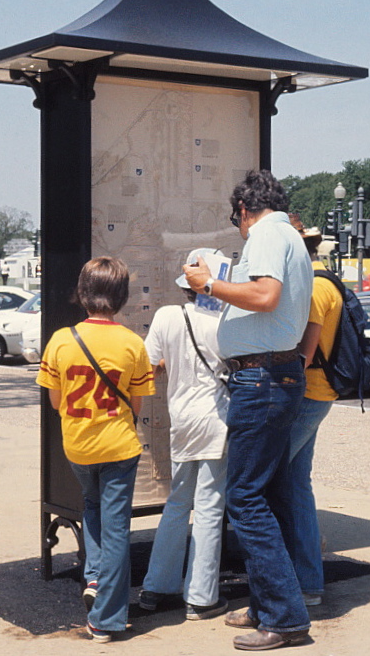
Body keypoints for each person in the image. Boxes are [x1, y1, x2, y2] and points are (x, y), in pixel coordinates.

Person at [184, 170, 314, 651]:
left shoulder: (263, 234)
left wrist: (210, 284)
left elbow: (264, 296)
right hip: (279, 373)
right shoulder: (291, 236)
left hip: (259, 378)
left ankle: (284, 617)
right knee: (269, 494)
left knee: (245, 498)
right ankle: (269, 605)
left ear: (243, 210)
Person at [36, 256, 155, 643]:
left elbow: (55, 402)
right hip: (119, 446)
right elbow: (137, 405)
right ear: (121, 297)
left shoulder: (60, 340)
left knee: (91, 507)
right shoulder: (133, 344)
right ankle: (107, 619)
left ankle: (94, 576)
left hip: (79, 447)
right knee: (117, 526)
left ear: (83, 293)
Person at [139, 248, 229, 621]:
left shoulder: (166, 315)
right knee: (209, 507)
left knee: (177, 503)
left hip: (181, 418)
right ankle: (201, 597)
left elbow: (149, 365)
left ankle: (156, 586)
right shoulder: (227, 318)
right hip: (218, 417)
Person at [284, 226, 343, 608]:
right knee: (296, 485)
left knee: (267, 478)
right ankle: (308, 580)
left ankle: (297, 580)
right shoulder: (329, 283)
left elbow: (304, 353)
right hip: (320, 392)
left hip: (308, 394)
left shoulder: (315, 290)